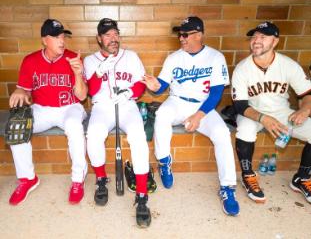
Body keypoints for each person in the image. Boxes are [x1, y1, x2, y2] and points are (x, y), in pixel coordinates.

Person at [142, 16, 240, 216]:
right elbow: (162, 84)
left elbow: (216, 93)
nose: (181, 38)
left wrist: (198, 116)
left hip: (205, 106)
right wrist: (155, 86)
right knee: (161, 115)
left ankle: (228, 188)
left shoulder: (215, 57)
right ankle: (164, 162)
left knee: (222, 133)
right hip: (177, 101)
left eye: (186, 34)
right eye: (180, 34)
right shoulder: (174, 57)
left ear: (199, 35)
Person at [231, 21, 311, 208]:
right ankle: (248, 175)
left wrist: (305, 109)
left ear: (275, 41)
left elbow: (309, 94)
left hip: (282, 112)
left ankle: (301, 178)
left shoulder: (288, 65)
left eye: (263, 37)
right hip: (253, 113)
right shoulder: (243, 68)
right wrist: (264, 119)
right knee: (245, 130)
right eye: (254, 36)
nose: (256, 41)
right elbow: (240, 106)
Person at [8, 19, 88, 205]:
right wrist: (21, 90)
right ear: (45, 40)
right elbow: (25, 92)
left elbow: (83, 96)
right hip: (42, 109)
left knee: (74, 126)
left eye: (63, 36)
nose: (62, 41)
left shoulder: (73, 59)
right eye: (56, 37)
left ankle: (77, 180)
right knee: (17, 127)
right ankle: (28, 179)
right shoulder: (30, 60)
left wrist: (77, 73)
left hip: (71, 107)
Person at [84, 18, 151, 228]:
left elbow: (141, 82)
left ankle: (141, 195)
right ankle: (101, 180)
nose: (112, 39)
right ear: (99, 38)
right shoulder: (90, 60)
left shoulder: (131, 56)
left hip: (127, 104)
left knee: (139, 137)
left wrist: (131, 92)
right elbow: (91, 91)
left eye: (115, 34)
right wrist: (99, 71)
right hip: (102, 107)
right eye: (107, 35)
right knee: (93, 134)